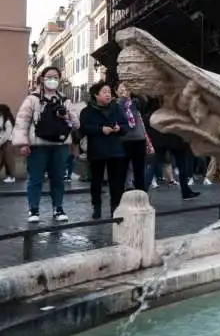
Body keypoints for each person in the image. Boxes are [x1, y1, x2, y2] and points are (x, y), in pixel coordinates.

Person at [12, 66, 77, 223]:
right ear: (42, 78)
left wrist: (66, 114)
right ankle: (33, 210)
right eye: (49, 76)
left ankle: (58, 208)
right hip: (38, 145)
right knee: (35, 178)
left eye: (56, 77)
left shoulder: (65, 100)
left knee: (58, 179)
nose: (52, 80)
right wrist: (23, 143)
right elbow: (22, 121)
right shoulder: (32, 99)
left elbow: (75, 123)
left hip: (60, 145)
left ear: (60, 80)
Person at [80, 82, 129, 219]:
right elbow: (84, 128)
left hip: (115, 150)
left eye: (109, 92)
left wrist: (119, 129)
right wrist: (100, 129)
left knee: (117, 182)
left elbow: (126, 126)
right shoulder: (87, 111)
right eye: (104, 92)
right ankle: (97, 206)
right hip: (97, 150)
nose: (108, 94)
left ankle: (116, 207)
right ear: (96, 95)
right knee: (96, 180)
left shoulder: (117, 108)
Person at [116, 82, 150, 191]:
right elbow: (119, 115)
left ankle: (142, 195)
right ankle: (120, 197)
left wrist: (135, 89)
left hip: (138, 140)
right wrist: (122, 99)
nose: (124, 89)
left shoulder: (135, 102)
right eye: (121, 87)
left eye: (126, 87)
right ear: (116, 91)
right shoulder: (115, 104)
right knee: (121, 171)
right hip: (123, 141)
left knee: (139, 171)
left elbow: (145, 102)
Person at [0, 104, 15, 183]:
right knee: (2, 159)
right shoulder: (2, 118)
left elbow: (7, 133)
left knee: (9, 160)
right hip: (2, 141)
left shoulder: (8, 120)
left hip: (8, 142)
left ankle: (12, 176)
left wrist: (1, 141)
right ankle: (10, 176)